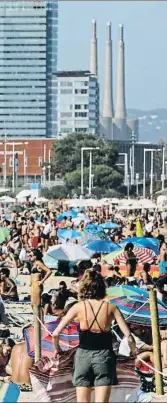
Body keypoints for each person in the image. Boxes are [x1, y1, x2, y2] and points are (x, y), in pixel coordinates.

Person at [52, 269, 136, 403]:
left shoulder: (78, 307)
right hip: (104, 356)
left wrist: (57, 349)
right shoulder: (111, 308)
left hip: (82, 356)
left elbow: (55, 334)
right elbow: (129, 336)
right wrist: (133, 351)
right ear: (102, 288)